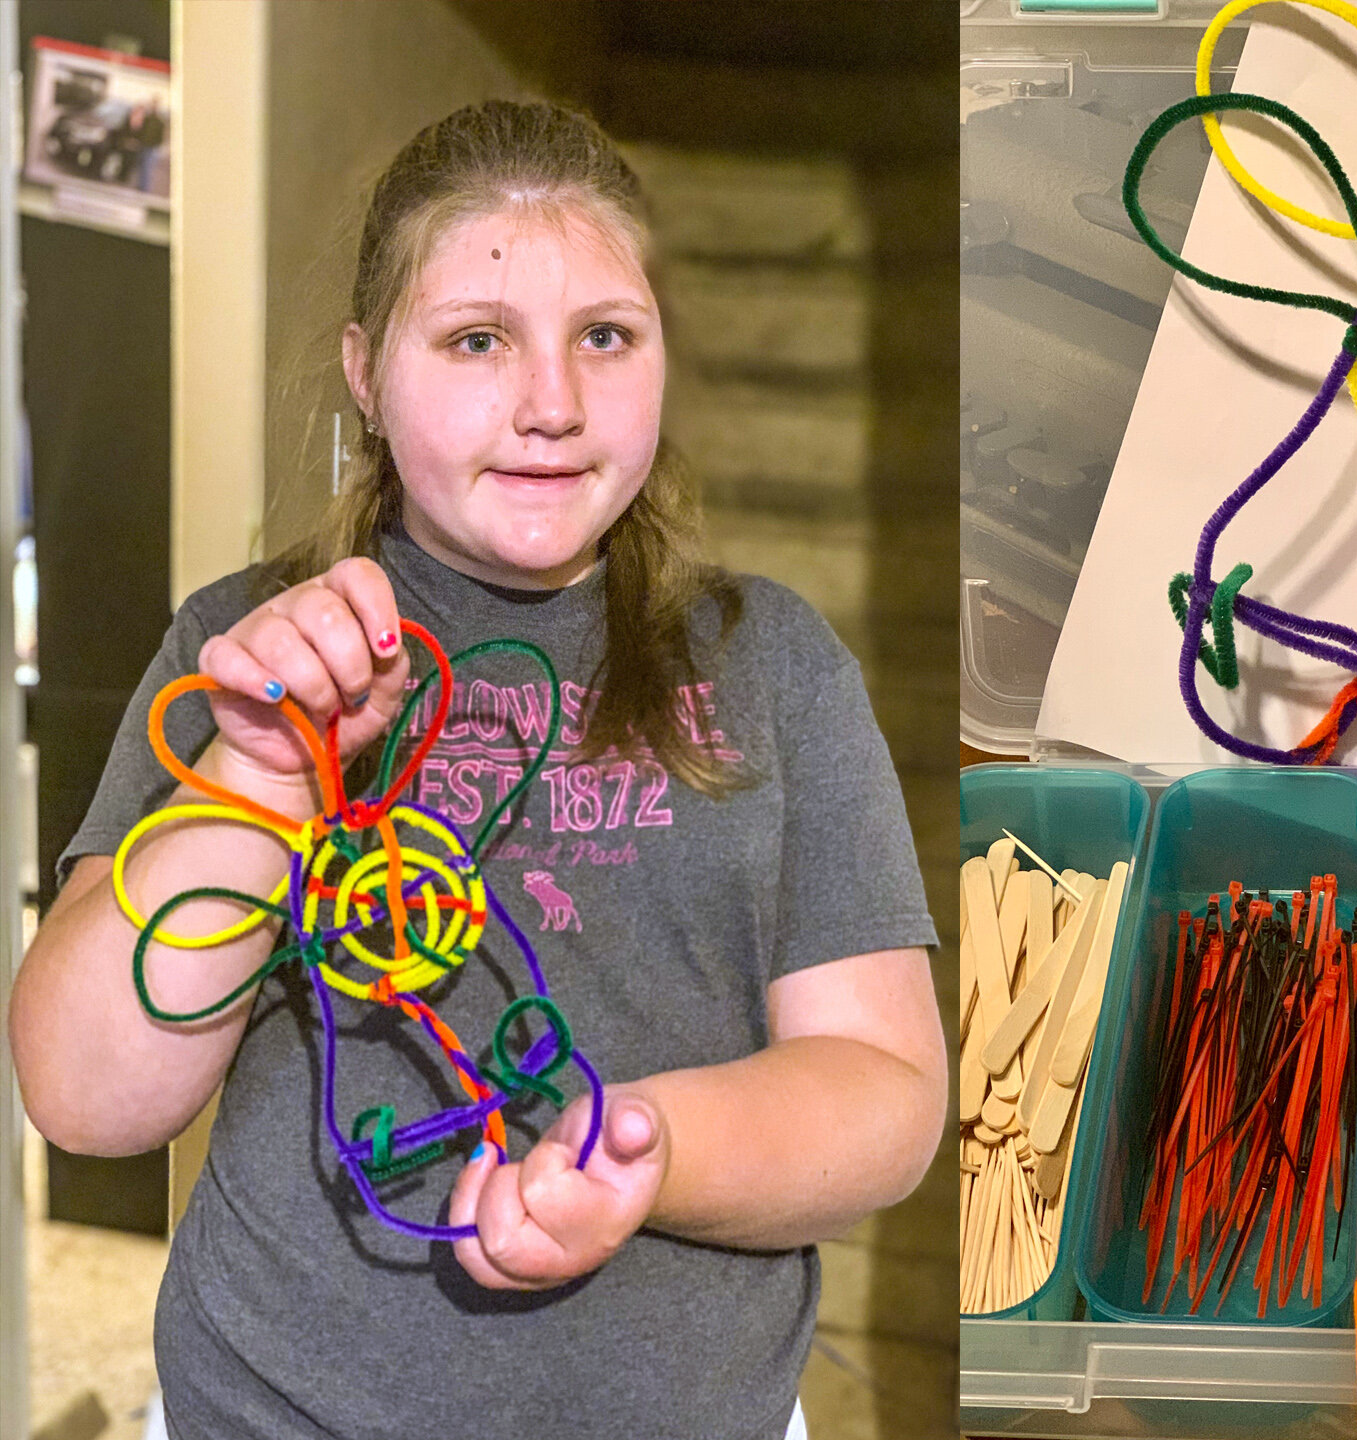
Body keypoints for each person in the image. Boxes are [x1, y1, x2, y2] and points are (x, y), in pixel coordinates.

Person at [7, 99, 947, 1440]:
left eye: (605, 338)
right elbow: (88, 1097)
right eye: (476, 341)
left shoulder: (776, 666)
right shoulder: (240, 654)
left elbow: (884, 1097)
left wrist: (644, 1150)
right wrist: (269, 772)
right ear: (366, 371)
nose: (553, 405)